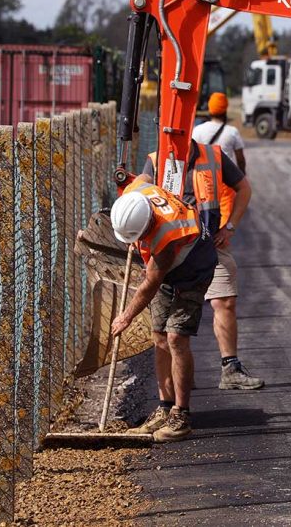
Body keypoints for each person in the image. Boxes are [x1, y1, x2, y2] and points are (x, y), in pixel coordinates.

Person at [144, 141, 263, 390]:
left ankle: (230, 369)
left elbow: (244, 188)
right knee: (170, 324)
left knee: (225, 301)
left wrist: (230, 227)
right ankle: (181, 379)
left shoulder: (213, 155)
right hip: (171, 250)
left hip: (210, 246)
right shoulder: (156, 160)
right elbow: (140, 192)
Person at [109, 176, 217, 442]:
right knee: (158, 335)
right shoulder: (136, 193)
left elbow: (149, 284)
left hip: (194, 270)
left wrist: (126, 317)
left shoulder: (166, 239)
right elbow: (144, 177)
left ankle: (181, 415)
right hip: (171, 271)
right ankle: (165, 406)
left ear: (149, 224)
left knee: (176, 338)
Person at [192, 92, 246, 173]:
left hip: (204, 181)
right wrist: (242, 176)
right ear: (225, 110)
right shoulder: (232, 132)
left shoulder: (197, 130)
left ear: (210, 109)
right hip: (225, 181)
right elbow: (240, 160)